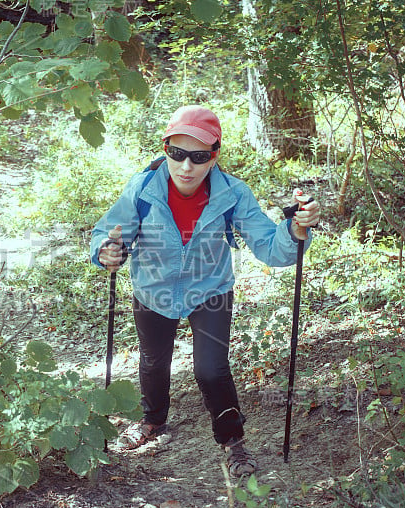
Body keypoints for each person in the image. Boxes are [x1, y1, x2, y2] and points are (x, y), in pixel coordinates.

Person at [89, 105, 321, 476]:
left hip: (210, 289)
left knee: (211, 370)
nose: (185, 166)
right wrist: (107, 251)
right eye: (176, 153)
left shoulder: (233, 194)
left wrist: (295, 230)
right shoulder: (143, 189)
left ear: (214, 156)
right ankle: (153, 422)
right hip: (154, 288)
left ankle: (234, 443)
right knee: (152, 362)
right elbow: (110, 231)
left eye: (198, 157)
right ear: (165, 148)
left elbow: (268, 246)